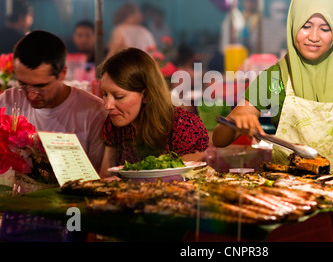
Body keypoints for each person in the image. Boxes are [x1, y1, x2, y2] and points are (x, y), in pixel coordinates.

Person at [213, 0, 333, 172]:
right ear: (293, 25)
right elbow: (219, 140)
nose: (314, 37)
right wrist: (237, 122)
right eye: (306, 26)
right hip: (288, 194)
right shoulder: (274, 78)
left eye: (325, 28)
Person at [0, 30, 107, 171]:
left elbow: (98, 178)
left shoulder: (92, 111)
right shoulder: (8, 101)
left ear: (62, 73)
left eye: (41, 86)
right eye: (23, 85)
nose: (31, 96)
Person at [98, 47, 209, 178]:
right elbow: (106, 175)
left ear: (146, 94)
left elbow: (191, 179)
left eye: (118, 96)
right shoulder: (114, 123)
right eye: (104, 94)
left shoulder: (183, 125)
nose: (108, 105)